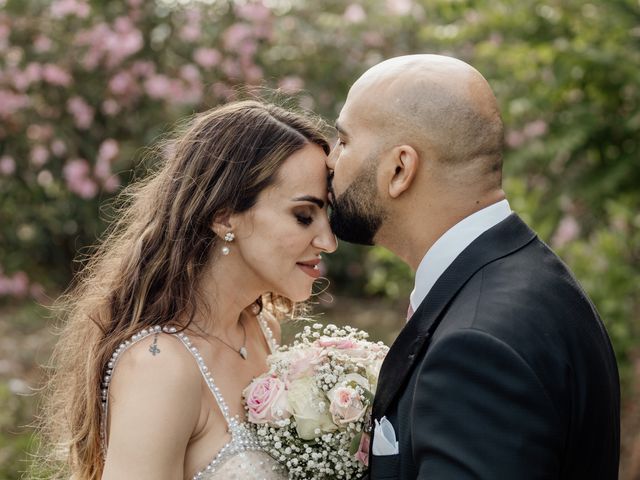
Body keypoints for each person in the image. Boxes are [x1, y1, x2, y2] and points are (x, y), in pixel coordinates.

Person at [327, 54, 620, 479]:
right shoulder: (534, 276)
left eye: (344, 141)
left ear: (400, 169)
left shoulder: (475, 349)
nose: (331, 160)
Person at [37, 100, 337, 480]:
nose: (328, 241)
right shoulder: (161, 367)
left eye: (328, 215)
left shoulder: (261, 331)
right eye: (303, 216)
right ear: (224, 215)